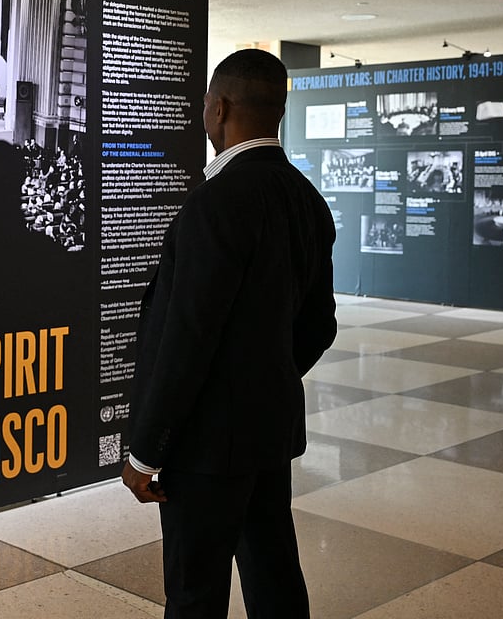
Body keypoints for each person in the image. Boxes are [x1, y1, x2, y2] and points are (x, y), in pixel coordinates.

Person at [120, 49, 337, 619]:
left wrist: (145, 450)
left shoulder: (214, 204)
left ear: (219, 108)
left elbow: (186, 337)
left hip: (208, 445)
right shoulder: (308, 201)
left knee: (196, 590)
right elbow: (321, 323)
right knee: (274, 574)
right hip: (270, 430)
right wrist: (267, 372)